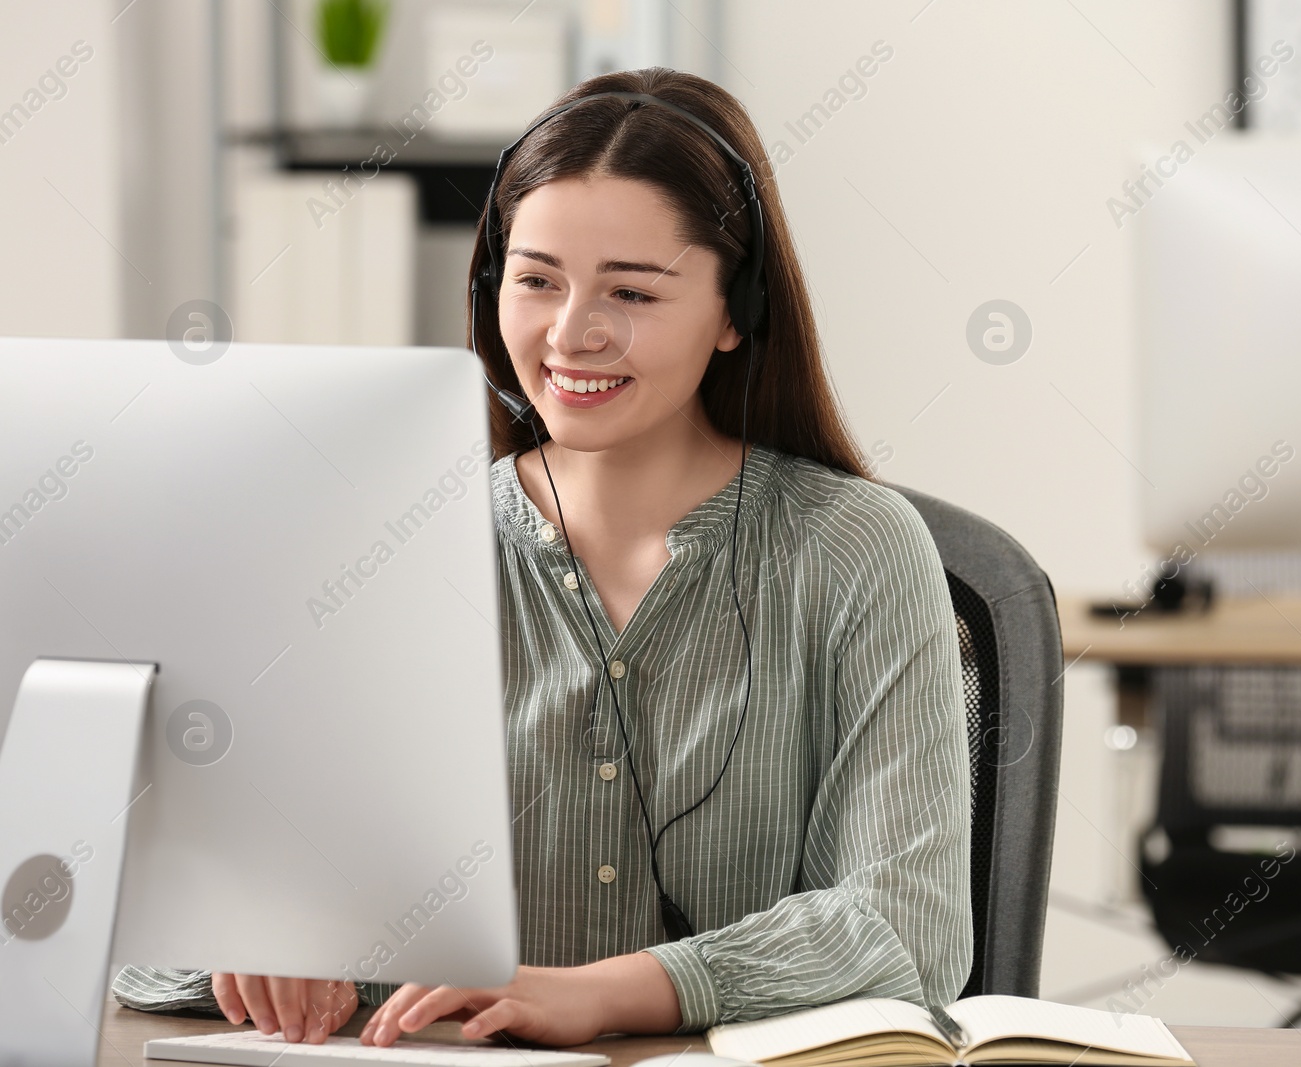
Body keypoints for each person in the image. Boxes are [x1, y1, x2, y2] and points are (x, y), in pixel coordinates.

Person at [113, 66, 971, 1048]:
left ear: (736, 310)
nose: (572, 333)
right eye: (536, 280)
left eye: (632, 291)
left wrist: (613, 990)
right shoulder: (386, 552)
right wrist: (268, 930)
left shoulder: (852, 551)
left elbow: (908, 927)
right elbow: (141, 935)